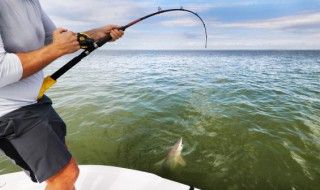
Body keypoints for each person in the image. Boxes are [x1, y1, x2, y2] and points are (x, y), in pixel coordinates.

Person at [0, 0, 124, 189]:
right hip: (9, 110)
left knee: (62, 165)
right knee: (65, 175)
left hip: (36, 100)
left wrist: (97, 34)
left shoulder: (31, 2)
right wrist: (57, 49)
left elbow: (53, 39)